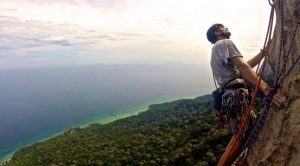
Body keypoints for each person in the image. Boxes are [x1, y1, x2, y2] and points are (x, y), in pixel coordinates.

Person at [206, 23, 286, 166]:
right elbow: (243, 67)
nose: (227, 28)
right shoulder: (225, 42)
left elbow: (240, 69)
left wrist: (263, 54)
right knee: (240, 138)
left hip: (230, 96)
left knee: (242, 134)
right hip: (235, 95)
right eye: (223, 27)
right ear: (217, 32)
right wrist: (267, 89)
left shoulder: (216, 49)